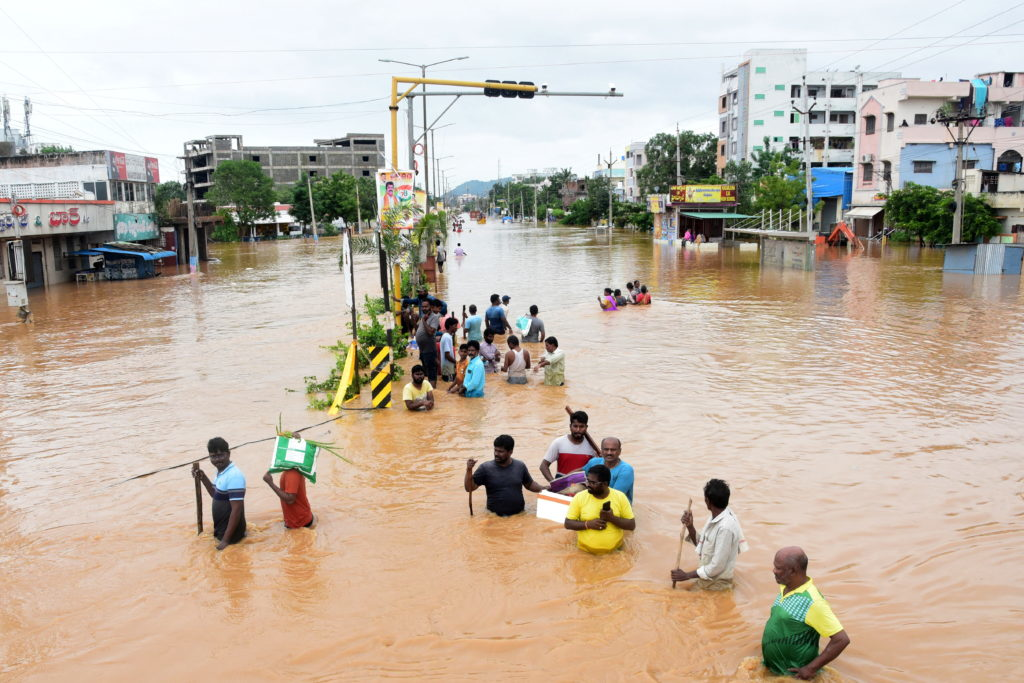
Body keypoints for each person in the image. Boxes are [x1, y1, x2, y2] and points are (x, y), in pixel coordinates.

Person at [761, 547, 851, 680]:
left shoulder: (812, 602)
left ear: (792, 571)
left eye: (778, 568)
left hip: (793, 677)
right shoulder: (785, 587)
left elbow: (841, 640)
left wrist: (810, 668)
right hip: (774, 671)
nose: (773, 571)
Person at [670, 479, 749, 590]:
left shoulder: (725, 528)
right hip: (707, 580)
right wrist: (690, 526)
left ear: (707, 501)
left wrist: (687, 576)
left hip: (716, 585)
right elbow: (702, 545)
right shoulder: (715, 517)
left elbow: (717, 566)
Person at [465, 434, 546, 516]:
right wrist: (468, 470)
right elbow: (469, 488)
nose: (496, 453)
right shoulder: (485, 468)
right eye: (495, 450)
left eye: (500, 451)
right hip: (494, 518)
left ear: (510, 452)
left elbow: (529, 484)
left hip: (519, 516)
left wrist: (544, 489)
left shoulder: (520, 466)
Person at [563, 464, 635, 554]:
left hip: (614, 553)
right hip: (585, 552)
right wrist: (588, 524)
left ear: (605, 484)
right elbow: (568, 523)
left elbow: (631, 525)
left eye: (593, 483)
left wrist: (612, 518)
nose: (588, 485)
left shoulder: (620, 497)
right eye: (588, 481)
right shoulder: (579, 497)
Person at [191, 437, 246, 550]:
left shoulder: (234, 476)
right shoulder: (221, 472)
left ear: (228, 454)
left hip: (232, 536)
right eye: (213, 456)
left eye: (221, 455)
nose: (217, 460)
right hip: (222, 530)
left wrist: (225, 541)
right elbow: (216, 495)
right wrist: (203, 477)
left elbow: (236, 510)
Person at [539, 410, 599, 482]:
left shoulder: (592, 448)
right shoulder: (559, 442)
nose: (578, 430)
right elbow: (543, 466)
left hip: (583, 486)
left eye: (581, 426)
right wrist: (553, 483)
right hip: (562, 484)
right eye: (575, 426)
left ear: (586, 427)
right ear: (570, 426)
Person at [582, 437, 634, 503]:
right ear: (601, 451)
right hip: (595, 500)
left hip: (616, 506)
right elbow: (580, 474)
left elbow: (615, 498)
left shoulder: (626, 470)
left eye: (613, 450)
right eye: (606, 449)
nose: (609, 453)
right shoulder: (594, 462)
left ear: (619, 451)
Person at [415, 300, 440, 384]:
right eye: (423, 306)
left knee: (431, 370)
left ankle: (433, 390)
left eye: (426, 306)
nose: (424, 308)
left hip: (429, 349)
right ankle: (428, 388)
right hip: (422, 349)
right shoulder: (424, 316)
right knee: (426, 370)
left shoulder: (434, 317)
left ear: (431, 307)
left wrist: (424, 321)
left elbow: (430, 332)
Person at [440, 317, 458, 382]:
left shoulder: (447, 336)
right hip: (448, 368)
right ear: (450, 326)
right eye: (455, 326)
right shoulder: (447, 337)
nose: (456, 327)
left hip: (447, 367)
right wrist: (457, 363)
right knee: (449, 384)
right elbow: (447, 355)